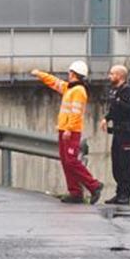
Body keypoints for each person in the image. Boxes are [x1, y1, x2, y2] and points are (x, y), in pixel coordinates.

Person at [30, 60, 103, 205]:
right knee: (66, 162)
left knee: (71, 161)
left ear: (74, 74)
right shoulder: (70, 88)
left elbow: (76, 113)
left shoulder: (78, 91)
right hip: (64, 129)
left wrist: (69, 129)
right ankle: (75, 193)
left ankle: (94, 185)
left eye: (70, 72)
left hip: (71, 131)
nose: (68, 75)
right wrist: (40, 75)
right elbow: (55, 82)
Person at [99, 64, 130, 205]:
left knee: (125, 164)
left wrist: (118, 101)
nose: (109, 76)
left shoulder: (128, 91)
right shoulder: (115, 91)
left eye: (112, 74)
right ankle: (119, 192)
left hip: (127, 134)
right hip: (117, 133)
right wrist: (106, 118)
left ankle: (125, 194)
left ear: (119, 76)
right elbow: (113, 110)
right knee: (116, 165)